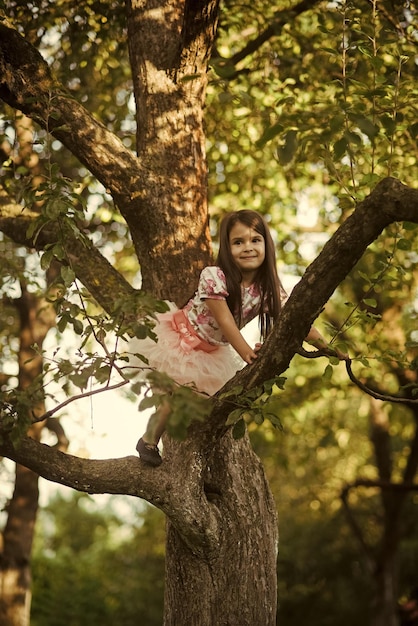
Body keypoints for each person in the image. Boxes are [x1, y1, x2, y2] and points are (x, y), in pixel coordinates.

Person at [135, 209, 347, 466]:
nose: (248, 247)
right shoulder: (214, 277)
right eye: (238, 242)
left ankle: (183, 452)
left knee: (196, 406)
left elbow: (298, 322)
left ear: (266, 245)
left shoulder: (267, 291)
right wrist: (247, 352)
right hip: (180, 340)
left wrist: (326, 347)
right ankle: (148, 440)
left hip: (211, 351)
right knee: (176, 396)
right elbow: (225, 321)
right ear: (227, 247)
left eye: (255, 240)